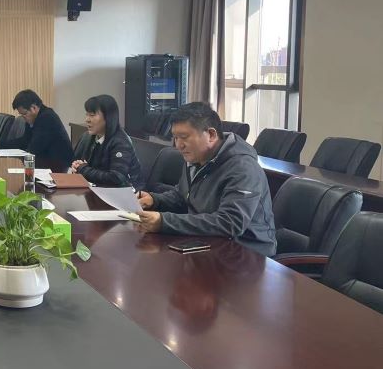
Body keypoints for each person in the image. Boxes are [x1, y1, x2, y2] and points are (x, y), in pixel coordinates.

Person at [136, 102, 276, 256]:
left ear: (211, 135)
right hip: (208, 242)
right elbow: (183, 196)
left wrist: (164, 222)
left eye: (184, 137)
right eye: (175, 138)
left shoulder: (243, 168)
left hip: (247, 253)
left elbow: (230, 222)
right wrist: (154, 200)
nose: (178, 145)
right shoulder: (197, 157)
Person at [0, 89, 74, 172]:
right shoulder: (33, 117)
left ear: (33, 108)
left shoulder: (47, 117)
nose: (23, 117)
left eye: (24, 114)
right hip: (43, 162)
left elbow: (34, 148)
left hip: (57, 166)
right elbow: (24, 141)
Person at [70, 94, 145, 189]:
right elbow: (78, 162)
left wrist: (83, 169)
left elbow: (116, 178)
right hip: (99, 188)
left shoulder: (121, 142)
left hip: (127, 192)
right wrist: (76, 166)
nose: (87, 120)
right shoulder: (88, 136)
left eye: (92, 115)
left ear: (108, 117)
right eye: (87, 114)